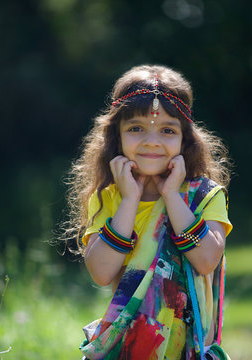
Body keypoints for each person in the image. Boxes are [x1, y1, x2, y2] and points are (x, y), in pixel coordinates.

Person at [63, 64, 232, 360]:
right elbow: (102, 272)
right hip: (127, 345)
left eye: (167, 130)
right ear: (117, 137)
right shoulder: (109, 199)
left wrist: (171, 195)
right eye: (136, 129)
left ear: (185, 139)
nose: (151, 141)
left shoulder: (205, 196)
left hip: (186, 348)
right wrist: (129, 200)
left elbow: (207, 260)